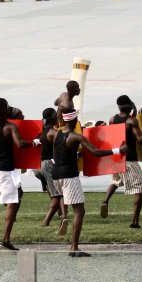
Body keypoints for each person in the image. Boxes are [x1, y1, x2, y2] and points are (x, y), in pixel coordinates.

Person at [46, 108, 126, 256]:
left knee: (68, 203)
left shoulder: (54, 133)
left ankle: (64, 221)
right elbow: (95, 152)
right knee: (79, 211)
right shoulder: (76, 137)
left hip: (55, 174)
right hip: (69, 175)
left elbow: (57, 153)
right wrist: (117, 150)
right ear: (75, 120)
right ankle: (74, 248)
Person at [0, 98, 39, 250]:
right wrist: (35, 142)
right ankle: (6, 239)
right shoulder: (10, 127)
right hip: (5, 170)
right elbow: (20, 144)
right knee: (13, 202)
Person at [100, 95, 142, 228]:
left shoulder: (112, 119)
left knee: (116, 181)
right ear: (128, 105)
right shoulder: (131, 121)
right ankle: (135, 222)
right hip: (130, 159)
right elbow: (140, 139)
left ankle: (105, 200)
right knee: (140, 190)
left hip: (117, 158)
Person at [36, 108, 67, 232]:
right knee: (57, 195)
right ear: (53, 118)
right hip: (49, 164)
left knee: (56, 192)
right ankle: (46, 221)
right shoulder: (53, 132)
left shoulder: (41, 131)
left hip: (38, 165)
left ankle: (63, 215)